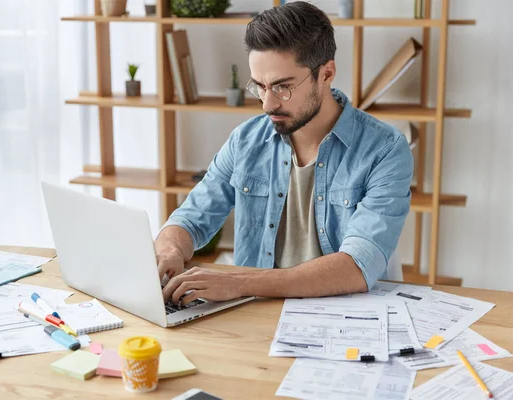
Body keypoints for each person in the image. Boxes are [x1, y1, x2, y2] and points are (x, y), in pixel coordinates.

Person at [156, 1, 413, 306]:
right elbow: (190, 218)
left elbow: (357, 266)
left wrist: (240, 282)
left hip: (350, 315)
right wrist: (170, 249)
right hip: (258, 312)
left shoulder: (385, 150)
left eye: (282, 87)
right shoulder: (245, 141)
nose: (267, 104)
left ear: (326, 73)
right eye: (260, 87)